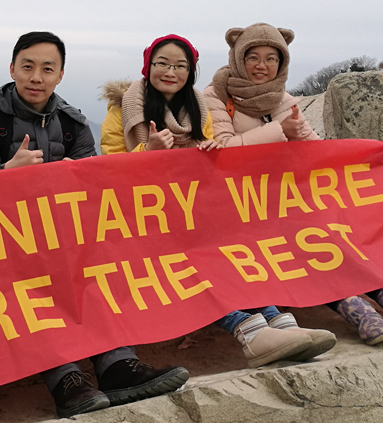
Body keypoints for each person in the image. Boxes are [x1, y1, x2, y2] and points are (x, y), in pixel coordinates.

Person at [0, 31, 190, 418]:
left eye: (47, 69)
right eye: (28, 66)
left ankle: (117, 364)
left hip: (66, 236)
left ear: (61, 74)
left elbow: (95, 184)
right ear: (12, 68)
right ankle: (66, 377)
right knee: (29, 287)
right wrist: (5, 173)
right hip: (5, 246)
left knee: (97, 267)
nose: (37, 77)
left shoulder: (72, 123)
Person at [100, 33, 336, 368]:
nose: (171, 72)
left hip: (192, 211)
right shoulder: (121, 110)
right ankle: (249, 332)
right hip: (142, 220)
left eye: (181, 66)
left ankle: (276, 321)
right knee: (192, 261)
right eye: (162, 64)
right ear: (147, 66)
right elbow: (107, 171)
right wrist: (147, 152)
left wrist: (209, 153)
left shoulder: (198, 108)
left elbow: (209, 163)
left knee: (230, 251)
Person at [205, 22, 383, 345]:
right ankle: (353, 307)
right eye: (253, 57)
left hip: (290, 198)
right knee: (303, 245)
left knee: (334, 233)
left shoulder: (283, 99)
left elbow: (319, 151)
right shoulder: (215, 96)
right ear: (237, 56)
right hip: (242, 209)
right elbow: (223, 152)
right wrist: (280, 131)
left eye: (271, 58)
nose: (262, 66)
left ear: (282, 63)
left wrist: (370, 157)